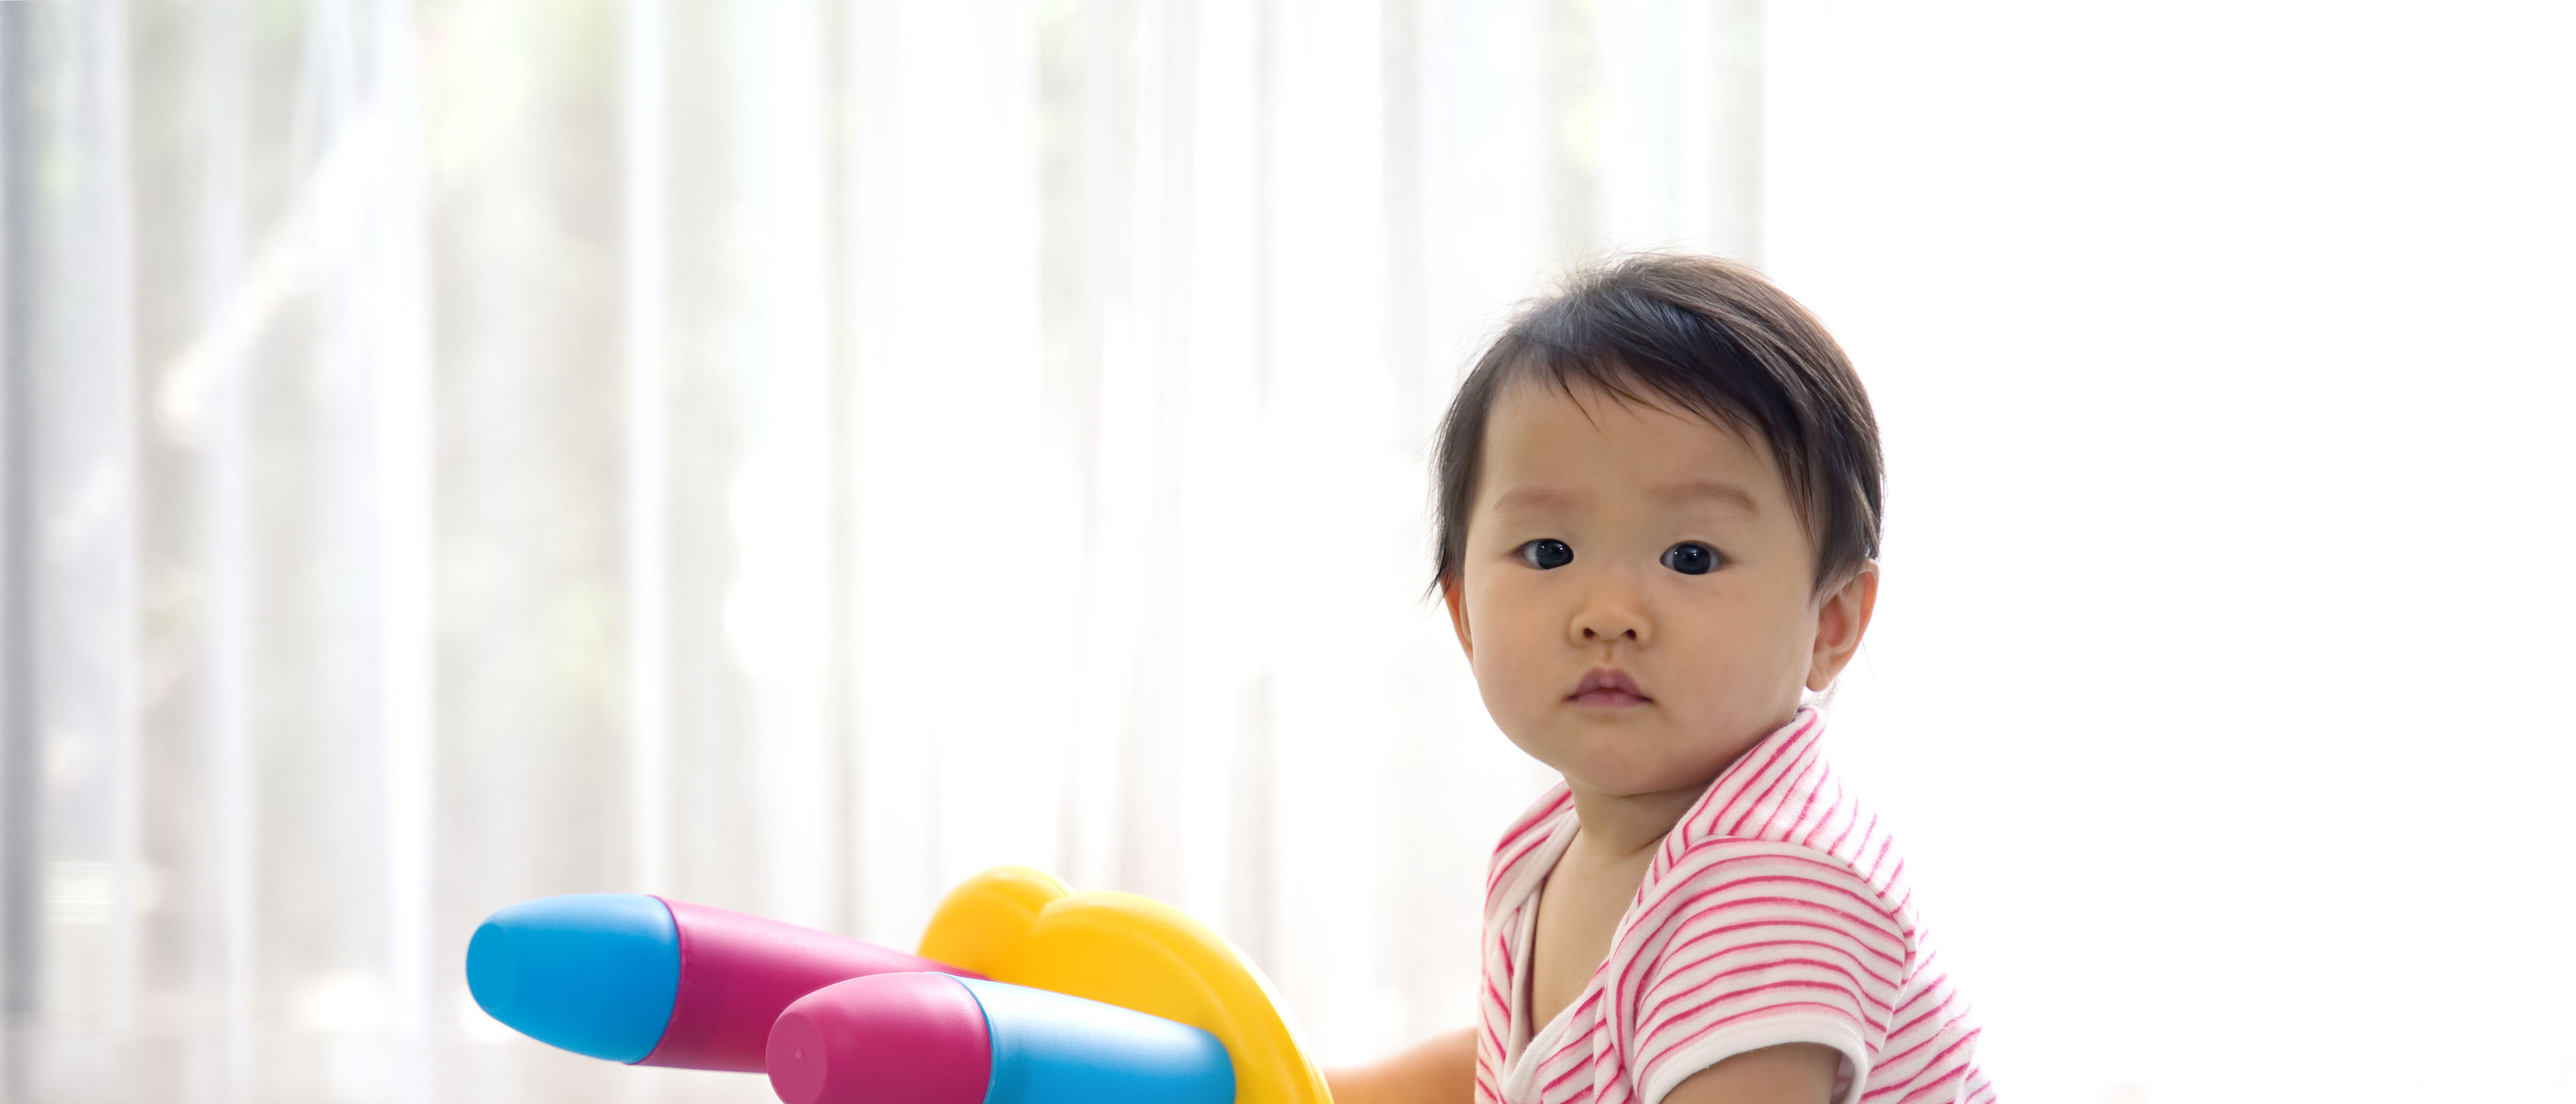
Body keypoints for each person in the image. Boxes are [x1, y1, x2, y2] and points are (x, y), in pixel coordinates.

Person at [1326, 256, 1992, 1104]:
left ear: (1830, 621)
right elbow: (1516, 1071)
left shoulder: (1775, 881)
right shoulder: (1549, 848)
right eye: (1549, 552)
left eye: (1690, 557)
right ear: (1463, 613)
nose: (1609, 611)